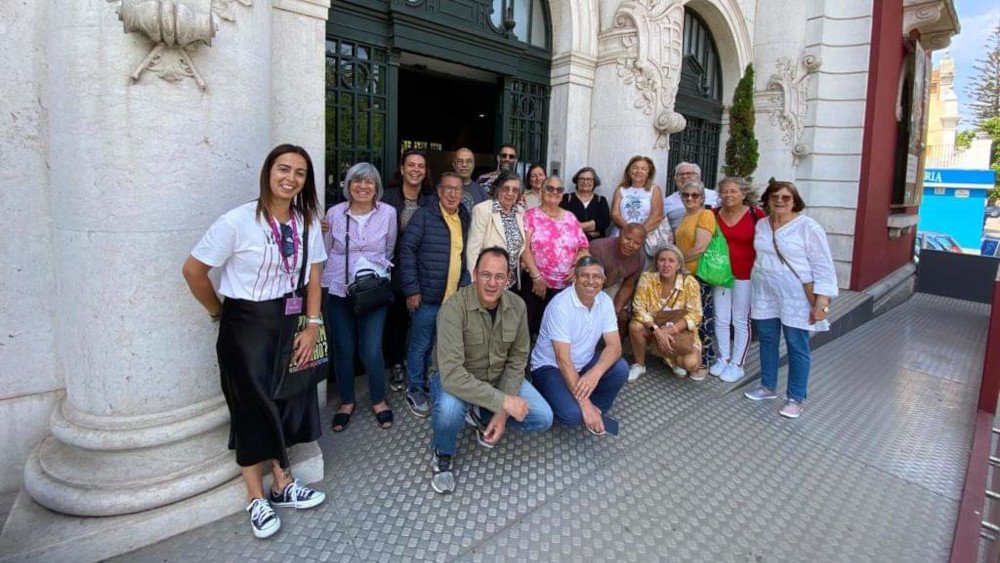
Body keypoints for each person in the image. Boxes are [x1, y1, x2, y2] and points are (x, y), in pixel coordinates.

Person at [182, 144, 327, 539]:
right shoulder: (237, 221)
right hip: (245, 323)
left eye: (299, 172)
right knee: (251, 406)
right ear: (267, 172)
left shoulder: (307, 223)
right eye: (283, 169)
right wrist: (219, 312)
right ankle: (255, 497)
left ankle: (282, 485)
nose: (290, 178)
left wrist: (312, 323)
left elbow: (314, 276)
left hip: (290, 319)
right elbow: (194, 271)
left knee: (287, 397)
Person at [428, 247, 554, 494]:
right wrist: (504, 402)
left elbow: (517, 360)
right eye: (486, 275)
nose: (492, 283)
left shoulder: (517, 306)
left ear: (508, 279)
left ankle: (481, 415)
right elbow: (452, 375)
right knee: (449, 412)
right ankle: (443, 452)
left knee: (543, 417)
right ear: (474, 274)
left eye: (499, 277)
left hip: (496, 378)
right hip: (456, 381)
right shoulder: (453, 308)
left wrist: (501, 412)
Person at [743, 179, 838, 419]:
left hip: (796, 296)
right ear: (768, 200)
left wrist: (821, 302)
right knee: (767, 340)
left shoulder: (809, 227)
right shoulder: (763, 225)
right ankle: (768, 386)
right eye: (775, 196)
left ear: (795, 200)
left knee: (797, 345)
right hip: (766, 293)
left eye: (786, 197)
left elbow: (823, 266)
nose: (780, 201)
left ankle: (796, 397)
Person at [323, 162, 396, 432]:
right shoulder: (334, 214)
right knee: (343, 348)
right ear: (348, 185)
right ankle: (346, 401)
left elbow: (389, 249)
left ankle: (378, 399)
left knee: (371, 349)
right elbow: (328, 249)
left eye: (369, 182)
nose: (363, 186)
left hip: (373, 290)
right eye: (357, 181)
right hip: (340, 288)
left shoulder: (388, 213)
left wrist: (371, 272)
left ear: (376, 187)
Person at [530, 256, 629, 435]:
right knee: (571, 415)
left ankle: (594, 409)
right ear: (575, 278)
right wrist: (584, 403)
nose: (591, 281)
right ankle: (568, 400)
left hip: (583, 362)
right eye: (584, 276)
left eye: (597, 276)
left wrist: (595, 373)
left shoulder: (605, 301)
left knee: (620, 368)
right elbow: (563, 360)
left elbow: (615, 347)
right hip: (550, 367)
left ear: (604, 280)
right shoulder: (561, 305)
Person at [399, 172, 471, 417]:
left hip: (452, 298)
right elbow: (406, 250)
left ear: (463, 194)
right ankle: (415, 388)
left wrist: (464, 281)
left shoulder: (464, 216)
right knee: (420, 344)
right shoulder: (425, 215)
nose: (452, 194)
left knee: (439, 346)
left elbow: (465, 255)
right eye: (447, 189)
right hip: (426, 296)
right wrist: (412, 289)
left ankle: (428, 381)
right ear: (439, 192)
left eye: (457, 189)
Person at [382, 150, 435, 392]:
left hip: (423, 269)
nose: (415, 169)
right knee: (396, 320)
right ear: (402, 169)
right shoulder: (387, 196)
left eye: (420, 166)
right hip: (393, 269)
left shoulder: (431, 198)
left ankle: (420, 368)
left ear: (425, 172)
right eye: (411, 165)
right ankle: (396, 364)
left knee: (421, 322)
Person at [710, 177, 766, 383]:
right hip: (721, 275)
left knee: (740, 319)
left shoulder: (755, 214)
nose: (729, 195)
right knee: (721, 318)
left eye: (733, 191)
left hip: (746, 275)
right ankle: (723, 358)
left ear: (743, 194)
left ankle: (738, 363)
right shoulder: (714, 214)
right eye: (724, 191)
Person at [520, 176, 590, 335]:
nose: (554, 192)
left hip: (565, 287)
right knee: (531, 326)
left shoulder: (571, 218)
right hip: (536, 284)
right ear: (542, 192)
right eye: (550, 188)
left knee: (558, 329)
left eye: (559, 189)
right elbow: (524, 248)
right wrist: (536, 277)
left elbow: (584, 247)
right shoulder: (530, 216)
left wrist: (577, 266)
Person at [628, 244, 703, 382]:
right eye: (662, 260)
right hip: (654, 328)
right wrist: (658, 331)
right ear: (656, 262)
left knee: (691, 364)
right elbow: (639, 309)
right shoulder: (647, 278)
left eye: (671, 261)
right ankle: (639, 364)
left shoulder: (689, 282)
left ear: (679, 264)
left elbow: (696, 315)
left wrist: (670, 331)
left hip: (679, 331)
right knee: (635, 326)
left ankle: (671, 358)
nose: (666, 264)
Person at [673, 179, 717, 380]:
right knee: (688, 319)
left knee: (702, 318)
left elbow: (700, 248)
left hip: (697, 276)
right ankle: (689, 355)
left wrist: (677, 264)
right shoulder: (686, 216)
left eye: (695, 195)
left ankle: (705, 361)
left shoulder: (705, 215)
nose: (689, 198)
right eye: (685, 195)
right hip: (685, 276)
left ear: (702, 198)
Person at [465, 170, 526, 289]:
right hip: (488, 282)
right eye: (505, 188)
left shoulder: (520, 212)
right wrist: (474, 283)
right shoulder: (483, 210)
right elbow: (473, 249)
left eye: (515, 190)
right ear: (497, 189)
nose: (510, 193)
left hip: (511, 282)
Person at [586, 223, 646, 333]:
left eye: (637, 243)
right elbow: (583, 279)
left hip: (611, 284)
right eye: (628, 238)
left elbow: (628, 284)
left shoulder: (640, 258)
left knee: (622, 316)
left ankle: (618, 347)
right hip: (588, 284)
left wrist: (615, 311)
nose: (631, 245)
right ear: (620, 234)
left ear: (642, 244)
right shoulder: (598, 248)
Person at [609, 155, 665, 238]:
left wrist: (639, 233)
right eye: (635, 168)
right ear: (629, 171)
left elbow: (657, 216)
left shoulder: (654, 189)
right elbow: (615, 214)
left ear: (648, 173)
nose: (639, 171)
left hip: (646, 235)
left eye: (644, 169)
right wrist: (630, 230)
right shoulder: (621, 190)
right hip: (623, 234)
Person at [663, 162, 720, 231]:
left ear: (698, 176)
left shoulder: (714, 196)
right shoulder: (667, 202)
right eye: (680, 174)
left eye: (689, 173)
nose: (685, 176)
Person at [561, 166, 611, 240]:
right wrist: (590, 229)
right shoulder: (567, 198)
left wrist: (579, 227)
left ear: (594, 182)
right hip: (572, 243)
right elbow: (564, 222)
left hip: (596, 245)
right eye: (582, 179)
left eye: (589, 179)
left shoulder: (600, 200)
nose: (585, 182)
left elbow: (604, 222)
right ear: (576, 181)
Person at [452, 147, 489, 213]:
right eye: (460, 161)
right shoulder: (443, 189)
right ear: (454, 165)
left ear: (474, 165)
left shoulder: (481, 192)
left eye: (469, 161)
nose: (464, 164)